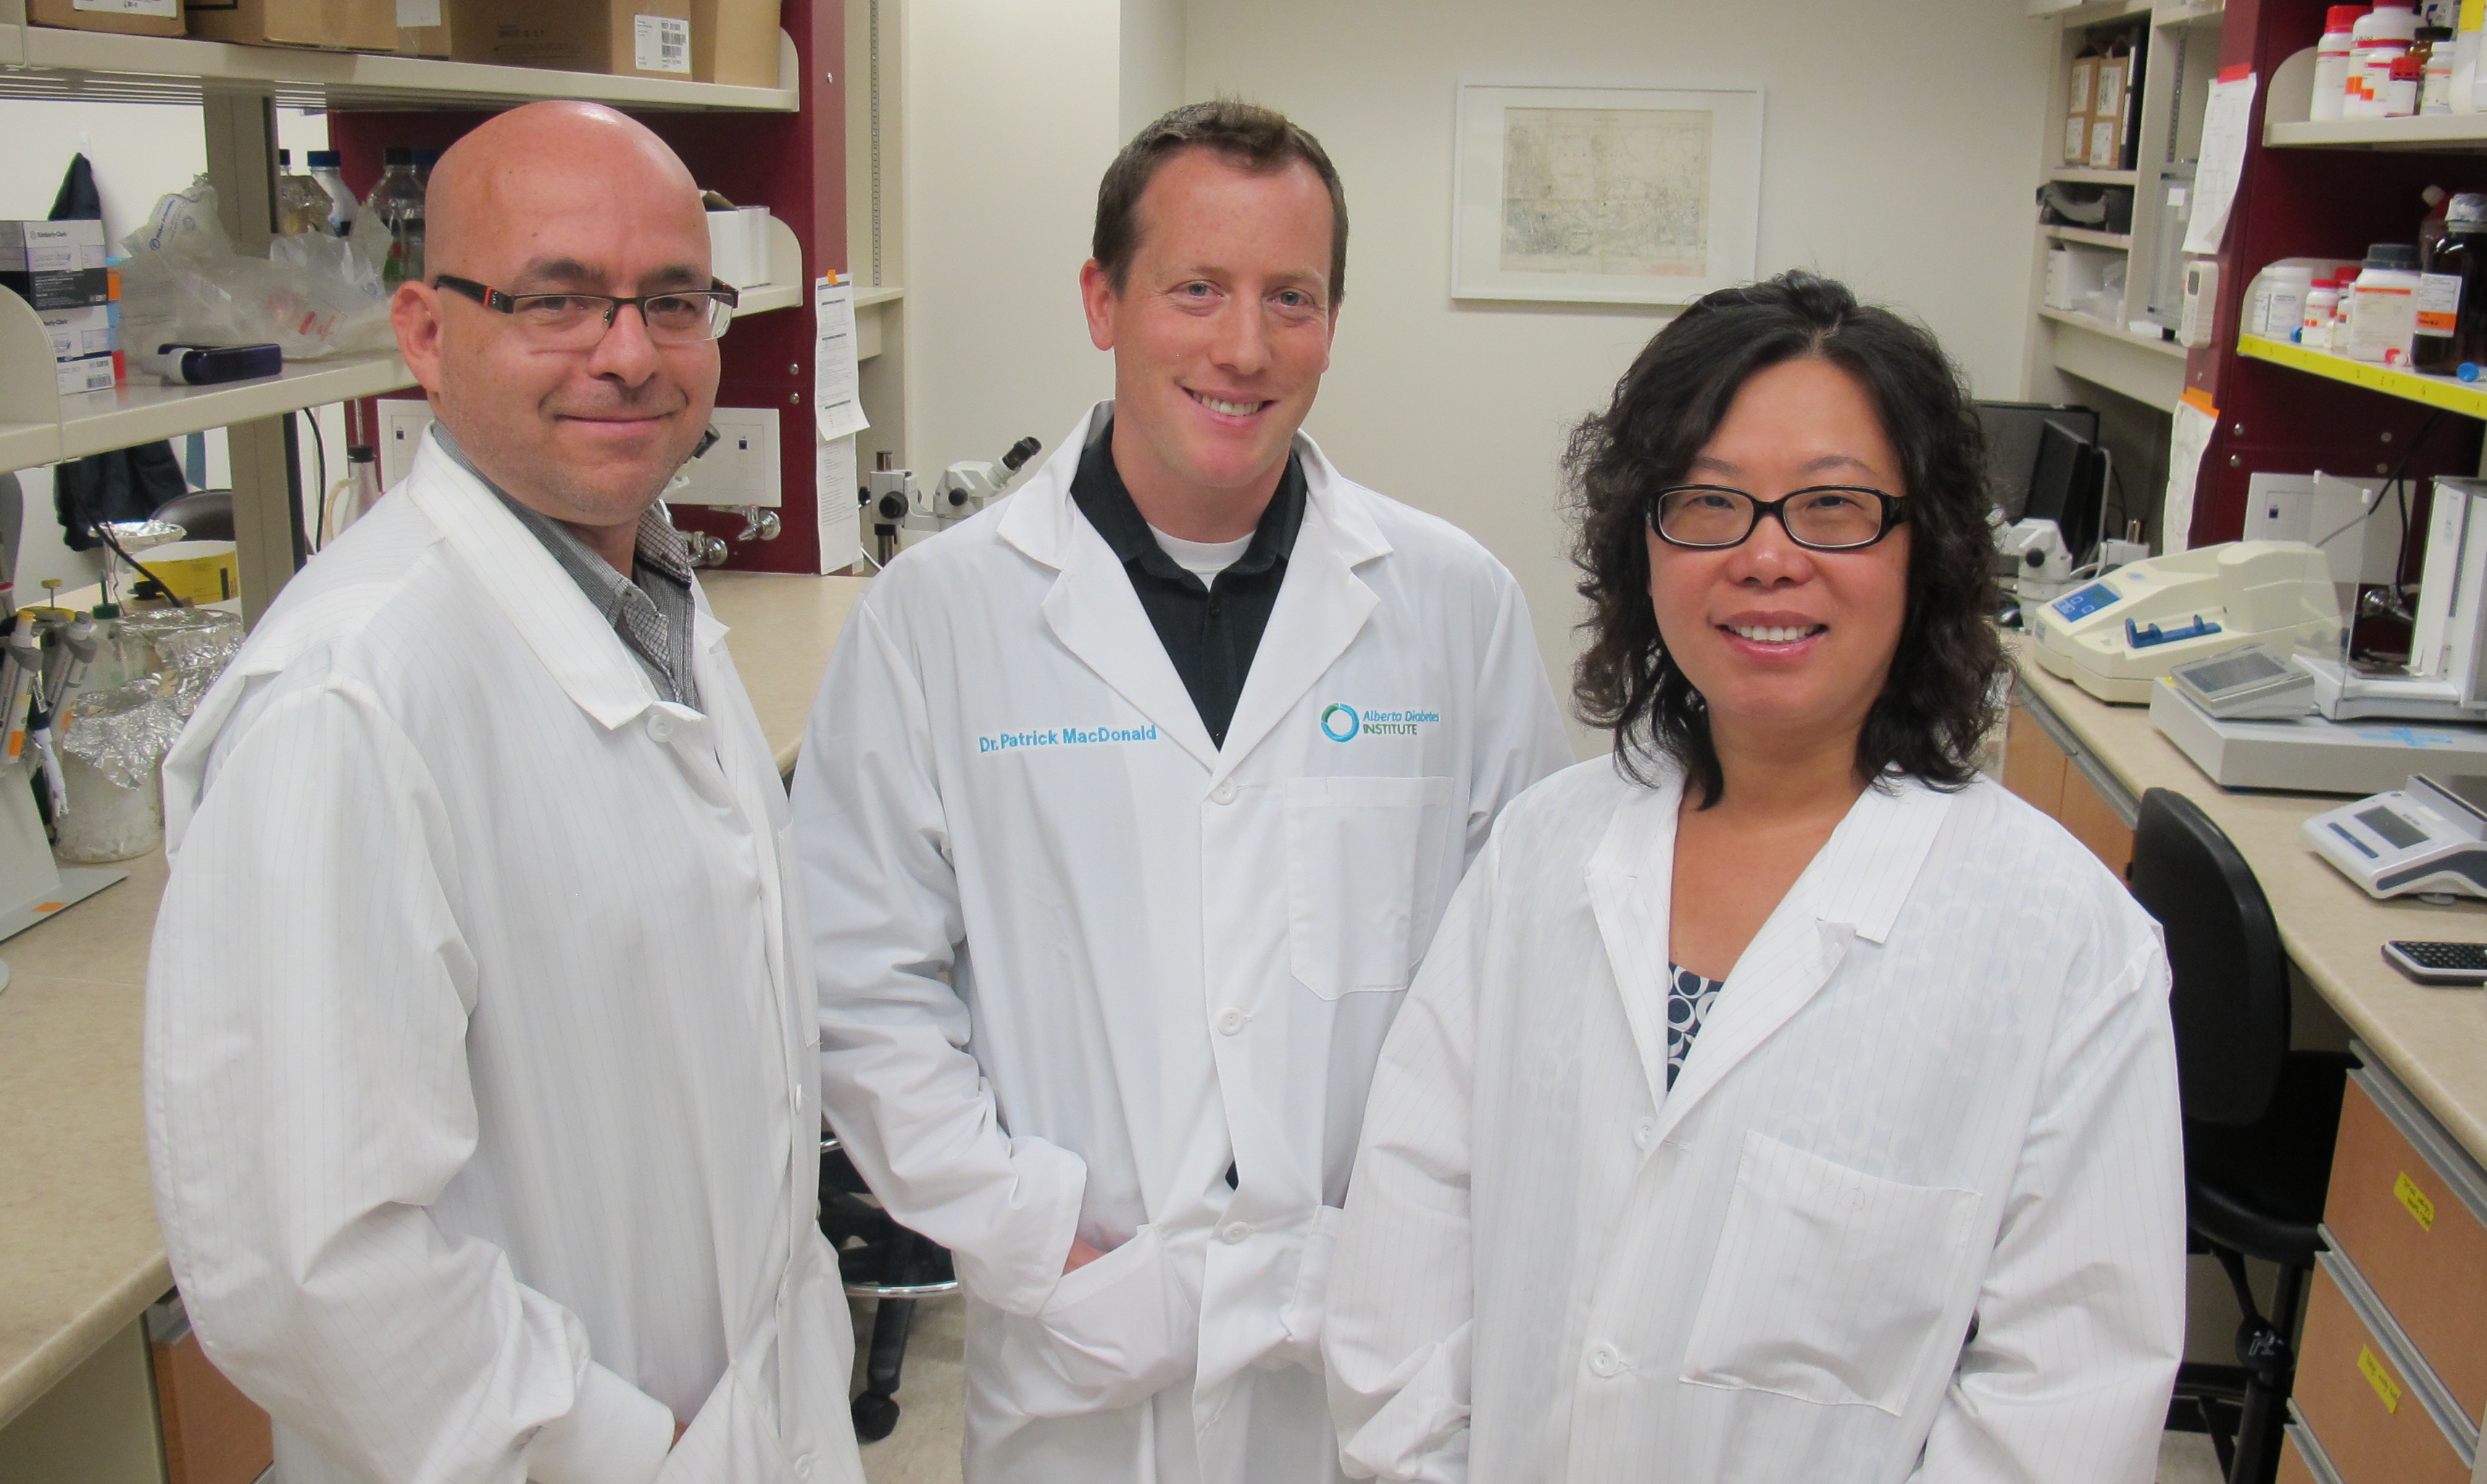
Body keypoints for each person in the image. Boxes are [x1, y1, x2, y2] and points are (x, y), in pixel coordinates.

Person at [791, 100, 1570, 1483]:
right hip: (1076, 1350)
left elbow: (1521, 981)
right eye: (1195, 289)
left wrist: (1395, 1239)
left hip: (1362, 1342)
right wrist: (1034, 1232)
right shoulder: (938, 620)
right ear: (1103, 299)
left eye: (1294, 299)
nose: (1244, 348)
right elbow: (860, 985)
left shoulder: (1453, 608)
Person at [1324, 271, 2183, 1483]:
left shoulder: (2061, 942)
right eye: (1712, 504)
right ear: (1646, 544)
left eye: (1833, 506)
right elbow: (1410, 1226)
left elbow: (2067, 1405)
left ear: (1923, 547)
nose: (1768, 558)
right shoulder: (1541, 855)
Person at [144, 101, 860, 1484]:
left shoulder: (640, 598)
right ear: (423, 332)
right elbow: (310, 1268)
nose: (630, 354)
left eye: (673, 300)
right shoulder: (351, 702)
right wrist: (624, 1449)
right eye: (557, 301)